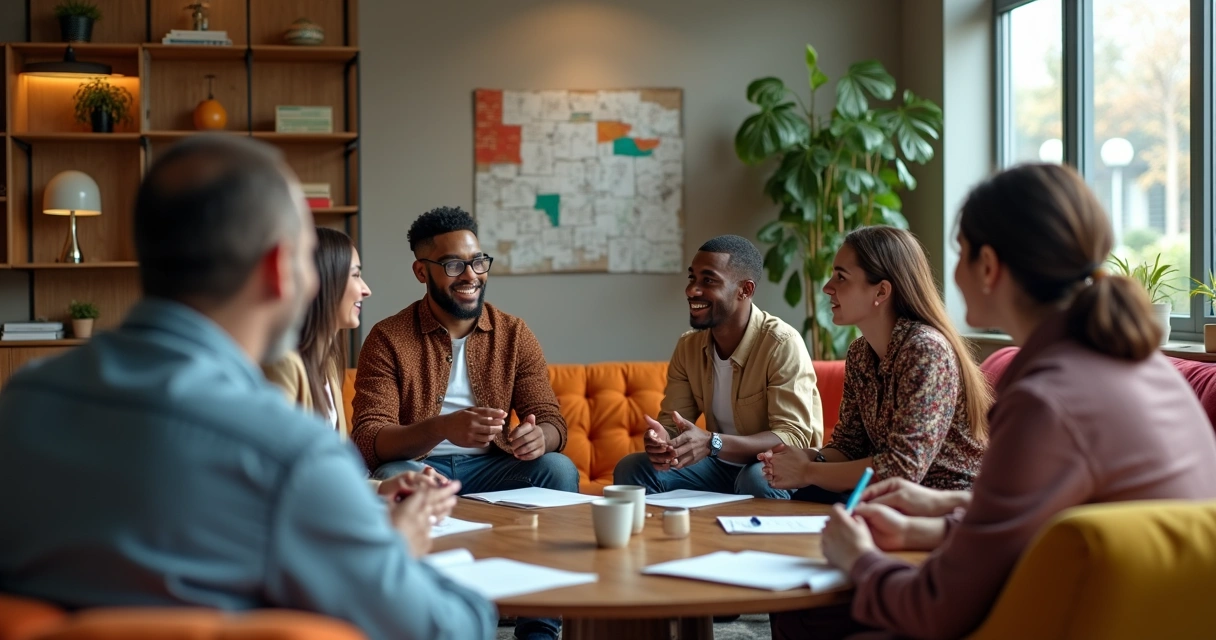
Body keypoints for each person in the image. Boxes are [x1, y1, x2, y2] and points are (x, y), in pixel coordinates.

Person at [0, 136, 496, 640]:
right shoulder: (289, 453)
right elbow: (446, 629)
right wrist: (397, 554)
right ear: (280, 270)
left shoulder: (22, 402)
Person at [776, 163, 1216, 639]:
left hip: (1065, 618)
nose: (954, 274)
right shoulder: (1139, 365)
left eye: (959, 254)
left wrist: (859, 558)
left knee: (813, 616)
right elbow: (1057, 525)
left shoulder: (1045, 401)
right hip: (1143, 618)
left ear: (988, 266)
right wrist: (939, 517)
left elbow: (936, 609)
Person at [352, 205, 578, 640]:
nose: (471, 274)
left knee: (558, 468)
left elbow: (553, 422)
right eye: (453, 264)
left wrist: (538, 438)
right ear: (422, 271)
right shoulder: (387, 338)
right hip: (422, 469)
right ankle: (431, 624)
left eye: (477, 261)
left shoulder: (514, 334)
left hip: (494, 469)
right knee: (395, 476)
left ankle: (541, 630)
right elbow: (368, 439)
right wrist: (441, 428)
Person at [758, 226, 990, 503]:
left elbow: (902, 469)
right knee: (760, 479)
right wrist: (803, 456)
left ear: (881, 291)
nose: (827, 287)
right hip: (882, 494)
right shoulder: (860, 353)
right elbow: (848, 445)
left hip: (939, 502)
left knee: (788, 493)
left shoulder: (926, 350)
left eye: (841, 277)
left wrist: (807, 470)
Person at [612, 235, 823, 499]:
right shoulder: (689, 346)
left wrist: (713, 443)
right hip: (718, 467)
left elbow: (792, 438)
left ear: (745, 290)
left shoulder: (781, 344)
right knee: (634, 469)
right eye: (692, 278)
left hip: (777, 468)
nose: (692, 290)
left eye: (708, 280)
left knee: (757, 478)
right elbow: (674, 423)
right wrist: (662, 440)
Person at [264, 227, 371, 439]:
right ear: (323, 280)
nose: (366, 290)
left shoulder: (328, 363)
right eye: (356, 275)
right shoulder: (284, 364)